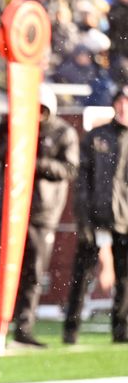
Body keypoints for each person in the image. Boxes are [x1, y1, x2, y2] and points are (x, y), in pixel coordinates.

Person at [0, 86, 79, 349]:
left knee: (33, 272)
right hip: (9, 209)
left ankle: (24, 328)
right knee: (0, 270)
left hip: (41, 211)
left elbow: (69, 168)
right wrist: (3, 127)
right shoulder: (12, 127)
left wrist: (33, 163)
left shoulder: (62, 132)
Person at [63, 85, 128, 344]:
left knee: (125, 279)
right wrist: (84, 218)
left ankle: (121, 331)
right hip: (95, 217)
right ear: (114, 105)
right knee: (81, 275)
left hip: (124, 219)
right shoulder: (96, 137)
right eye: (121, 102)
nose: (124, 107)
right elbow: (82, 182)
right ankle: (71, 329)